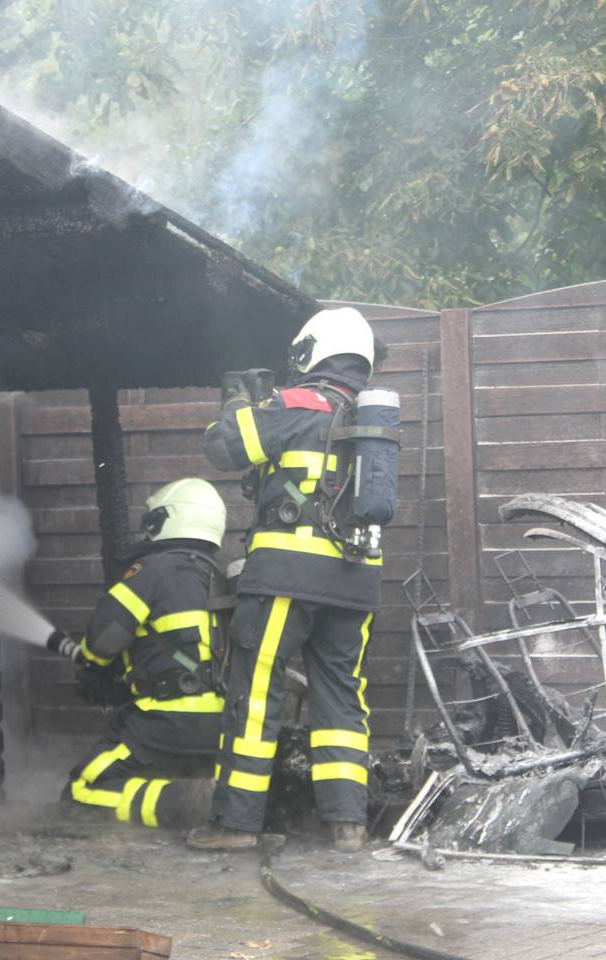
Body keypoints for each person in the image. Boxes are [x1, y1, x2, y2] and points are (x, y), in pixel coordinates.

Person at [188, 306, 386, 852]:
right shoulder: (369, 421)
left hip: (287, 579)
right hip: (355, 583)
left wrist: (235, 402)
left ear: (313, 350)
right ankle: (347, 826)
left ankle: (235, 825)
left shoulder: (298, 404)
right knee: (343, 702)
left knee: (255, 694)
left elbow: (224, 446)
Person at [46, 478, 228, 829]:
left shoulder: (151, 572)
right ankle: (200, 794)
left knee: (81, 794)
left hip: (163, 726)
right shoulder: (220, 577)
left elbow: (100, 646)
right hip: (220, 731)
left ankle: (175, 803)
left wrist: (89, 664)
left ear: (170, 519)